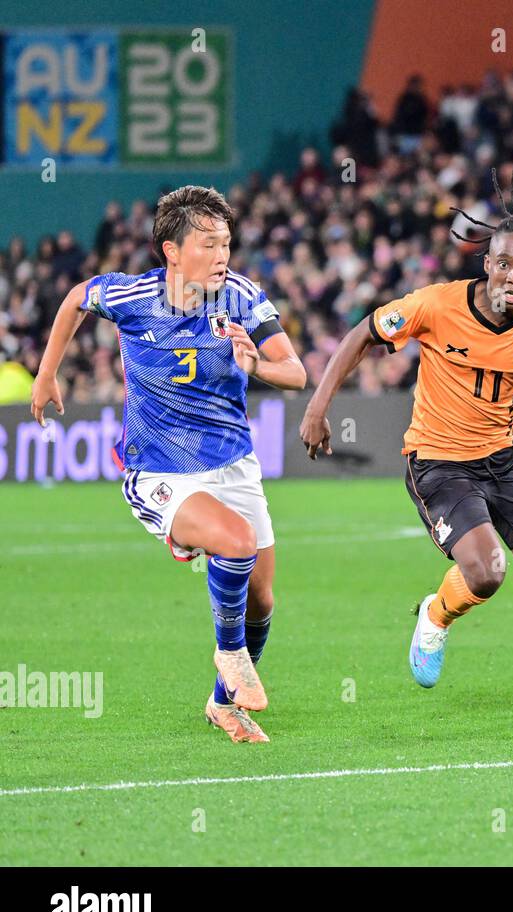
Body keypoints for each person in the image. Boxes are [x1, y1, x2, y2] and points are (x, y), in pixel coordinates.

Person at [299, 174, 513, 717]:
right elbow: (362, 335)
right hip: (440, 458)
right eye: (506, 264)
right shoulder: (436, 306)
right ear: (488, 264)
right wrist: (317, 407)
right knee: (487, 573)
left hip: (509, 454)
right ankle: (436, 614)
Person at [30, 186, 306, 743]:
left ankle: (222, 704)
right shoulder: (132, 296)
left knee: (262, 599)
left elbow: (296, 373)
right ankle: (229, 654)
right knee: (236, 541)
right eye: (208, 244)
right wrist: (46, 372)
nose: (223, 255)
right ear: (171, 250)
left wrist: (255, 364)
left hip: (233, 464)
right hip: (159, 470)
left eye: (227, 242)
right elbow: (75, 300)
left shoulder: (244, 299)